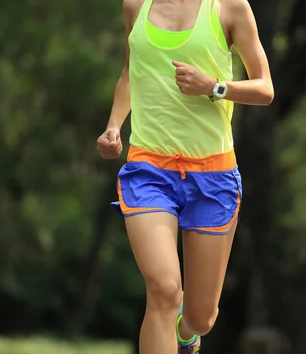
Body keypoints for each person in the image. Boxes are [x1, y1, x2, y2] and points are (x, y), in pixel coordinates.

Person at [96, 0, 273, 352]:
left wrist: (214, 87)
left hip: (213, 177)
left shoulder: (229, 8)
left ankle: (186, 332)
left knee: (202, 317)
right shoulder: (136, 5)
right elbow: (132, 72)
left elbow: (265, 88)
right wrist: (114, 125)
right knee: (163, 289)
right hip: (149, 170)